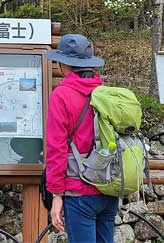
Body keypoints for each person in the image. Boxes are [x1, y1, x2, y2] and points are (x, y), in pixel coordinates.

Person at [44, 34, 118, 243]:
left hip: (79, 191)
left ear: (63, 64)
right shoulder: (103, 93)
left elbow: (57, 149)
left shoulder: (62, 95)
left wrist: (56, 195)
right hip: (107, 187)